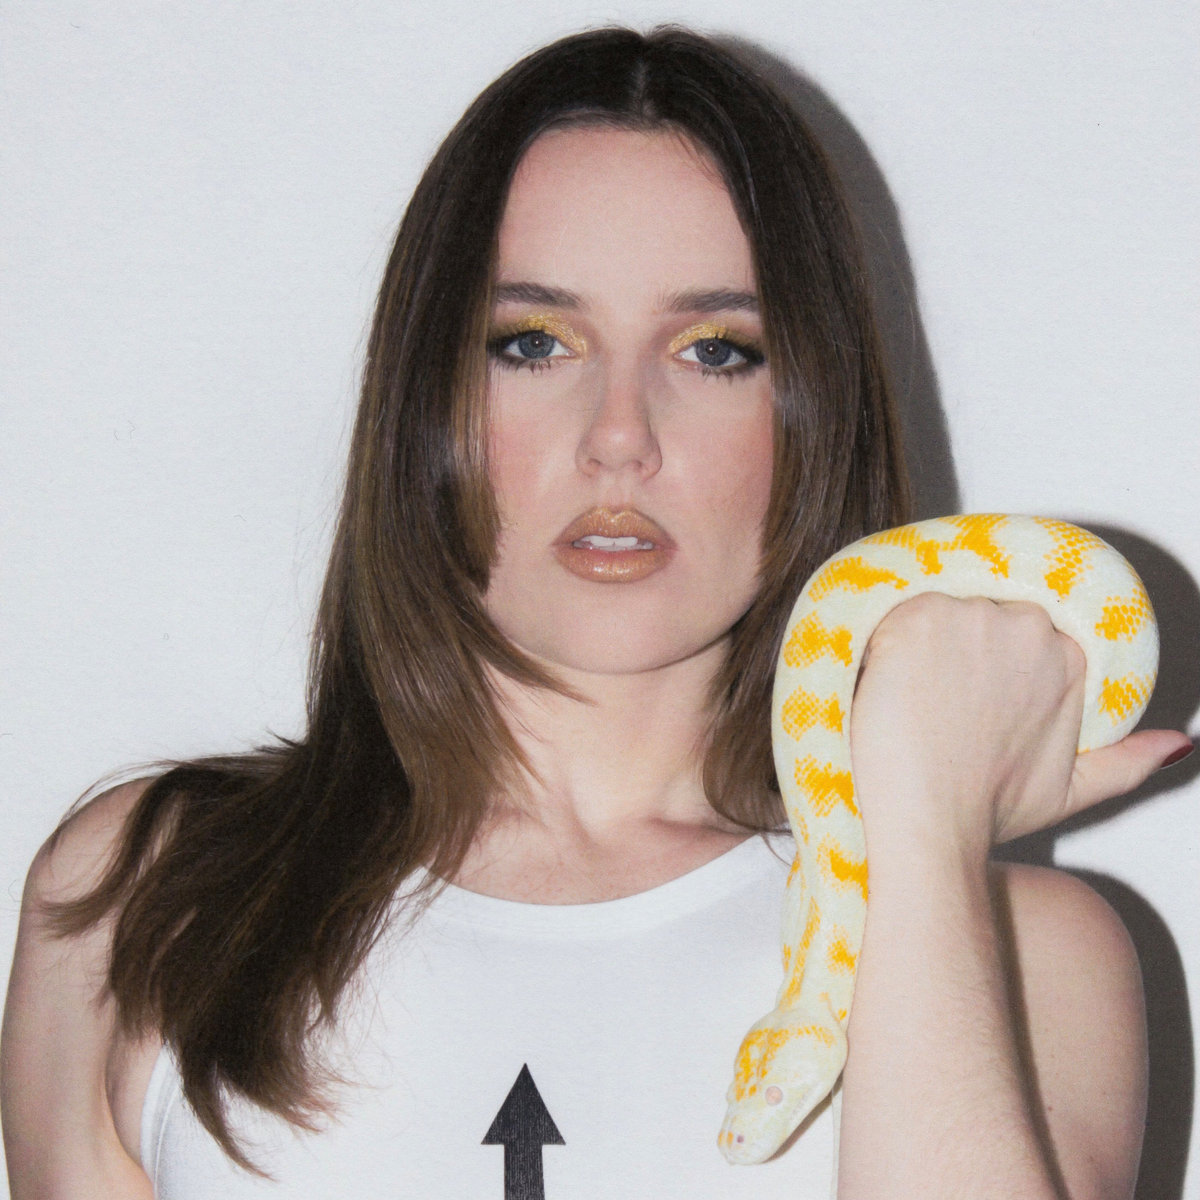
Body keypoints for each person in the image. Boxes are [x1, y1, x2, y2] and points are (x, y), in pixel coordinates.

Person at [2, 26, 1190, 1199]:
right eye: (534, 343)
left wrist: (925, 831)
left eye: (716, 352)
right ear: (426, 396)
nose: (621, 436)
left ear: (813, 414)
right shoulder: (145, 896)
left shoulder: (1029, 958)